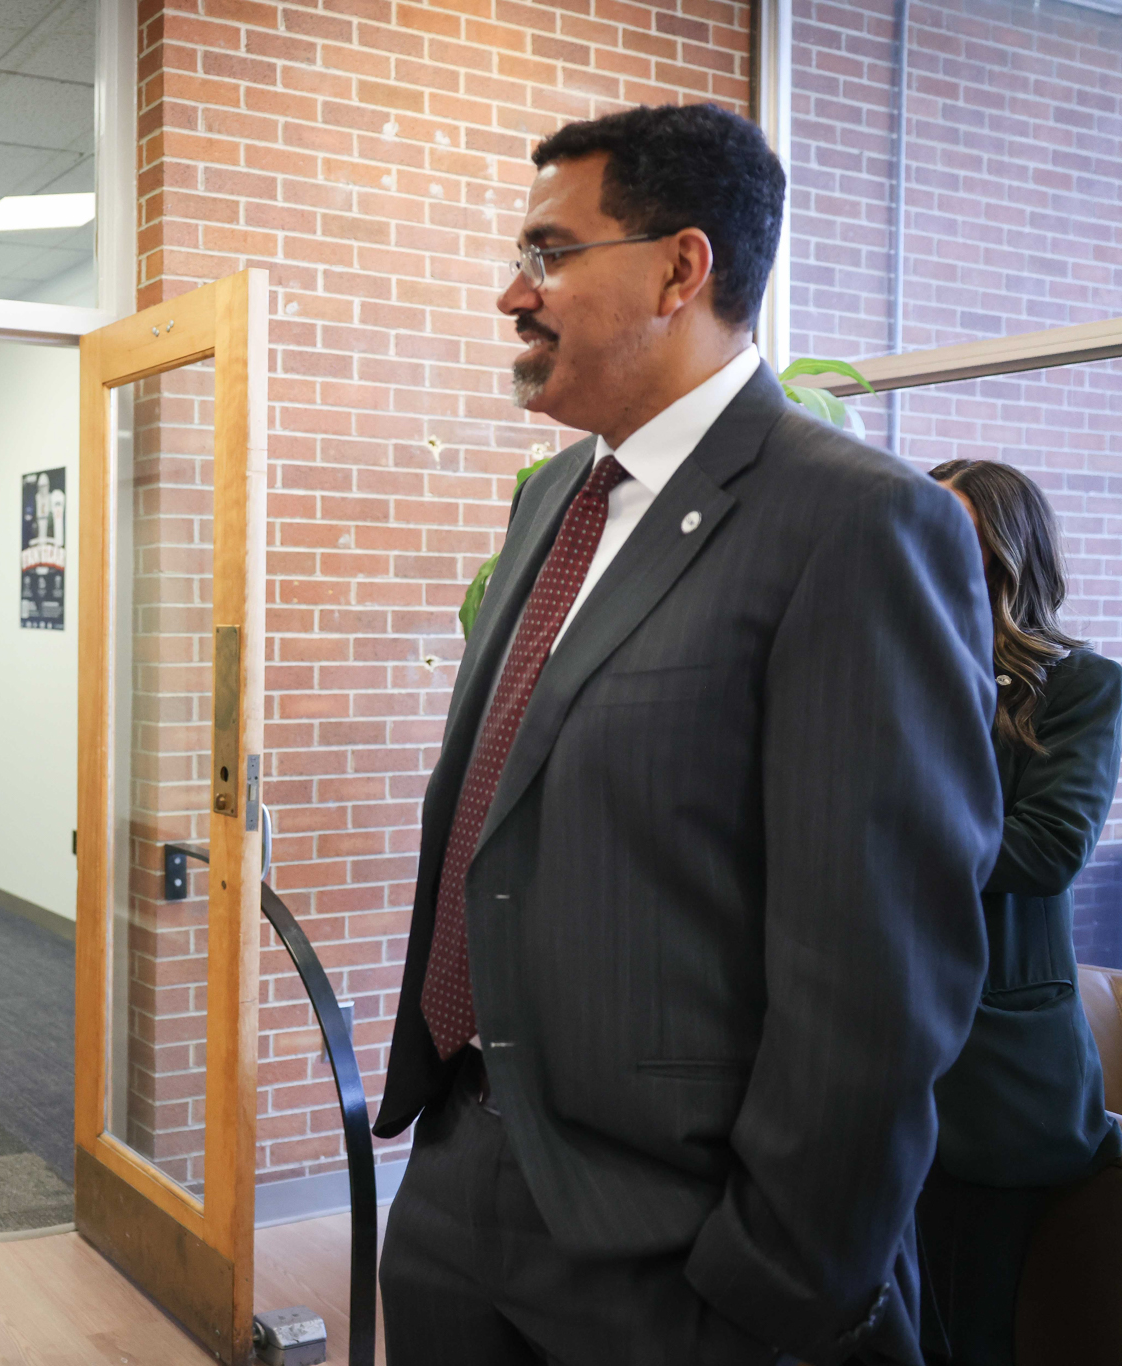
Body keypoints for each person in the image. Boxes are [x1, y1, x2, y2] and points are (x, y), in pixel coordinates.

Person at [373, 103, 1000, 1365]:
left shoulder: (853, 525)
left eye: (549, 253)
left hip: (673, 1253)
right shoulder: (556, 495)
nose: (513, 293)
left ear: (679, 267)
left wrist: (771, 1285)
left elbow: (876, 982)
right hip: (458, 1177)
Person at [918, 458, 1121, 1366]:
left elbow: (1045, 852)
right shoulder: (878, 670)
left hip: (994, 1080)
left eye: (957, 533)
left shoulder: (1079, 687)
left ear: (1009, 553)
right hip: (866, 1062)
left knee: (972, 1338)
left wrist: (879, 838)